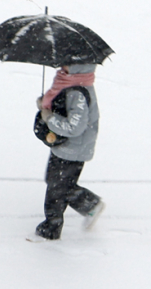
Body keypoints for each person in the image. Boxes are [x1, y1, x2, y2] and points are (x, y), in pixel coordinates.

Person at [32, 62, 104, 241]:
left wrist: (49, 118)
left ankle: (52, 228)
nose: (62, 65)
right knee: (55, 183)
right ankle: (87, 205)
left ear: (77, 67)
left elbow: (74, 127)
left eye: (68, 62)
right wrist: (46, 105)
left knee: (57, 188)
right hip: (65, 146)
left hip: (74, 148)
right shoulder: (68, 83)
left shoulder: (78, 91)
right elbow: (62, 106)